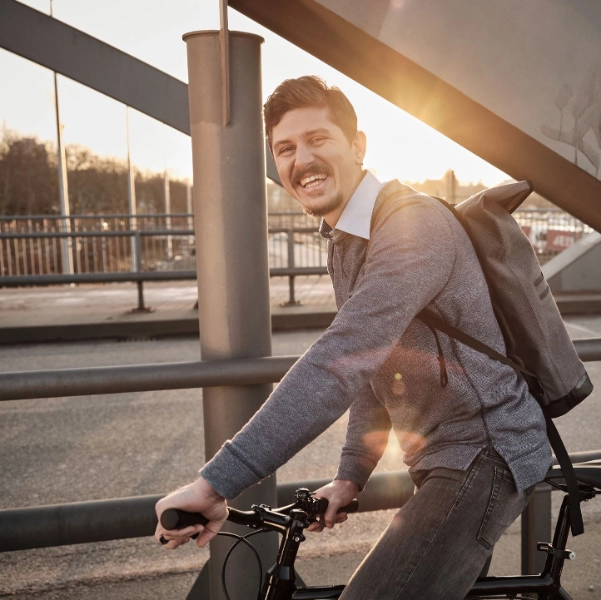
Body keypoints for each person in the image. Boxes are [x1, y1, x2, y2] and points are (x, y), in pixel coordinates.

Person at [155, 75, 551, 600]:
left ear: (358, 145)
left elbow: (340, 361)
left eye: (319, 139)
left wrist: (214, 484)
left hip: (486, 452)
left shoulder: (412, 226)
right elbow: (376, 366)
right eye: (286, 148)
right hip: (443, 457)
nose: (303, 161)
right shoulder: (346, 239)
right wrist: (351, 476)